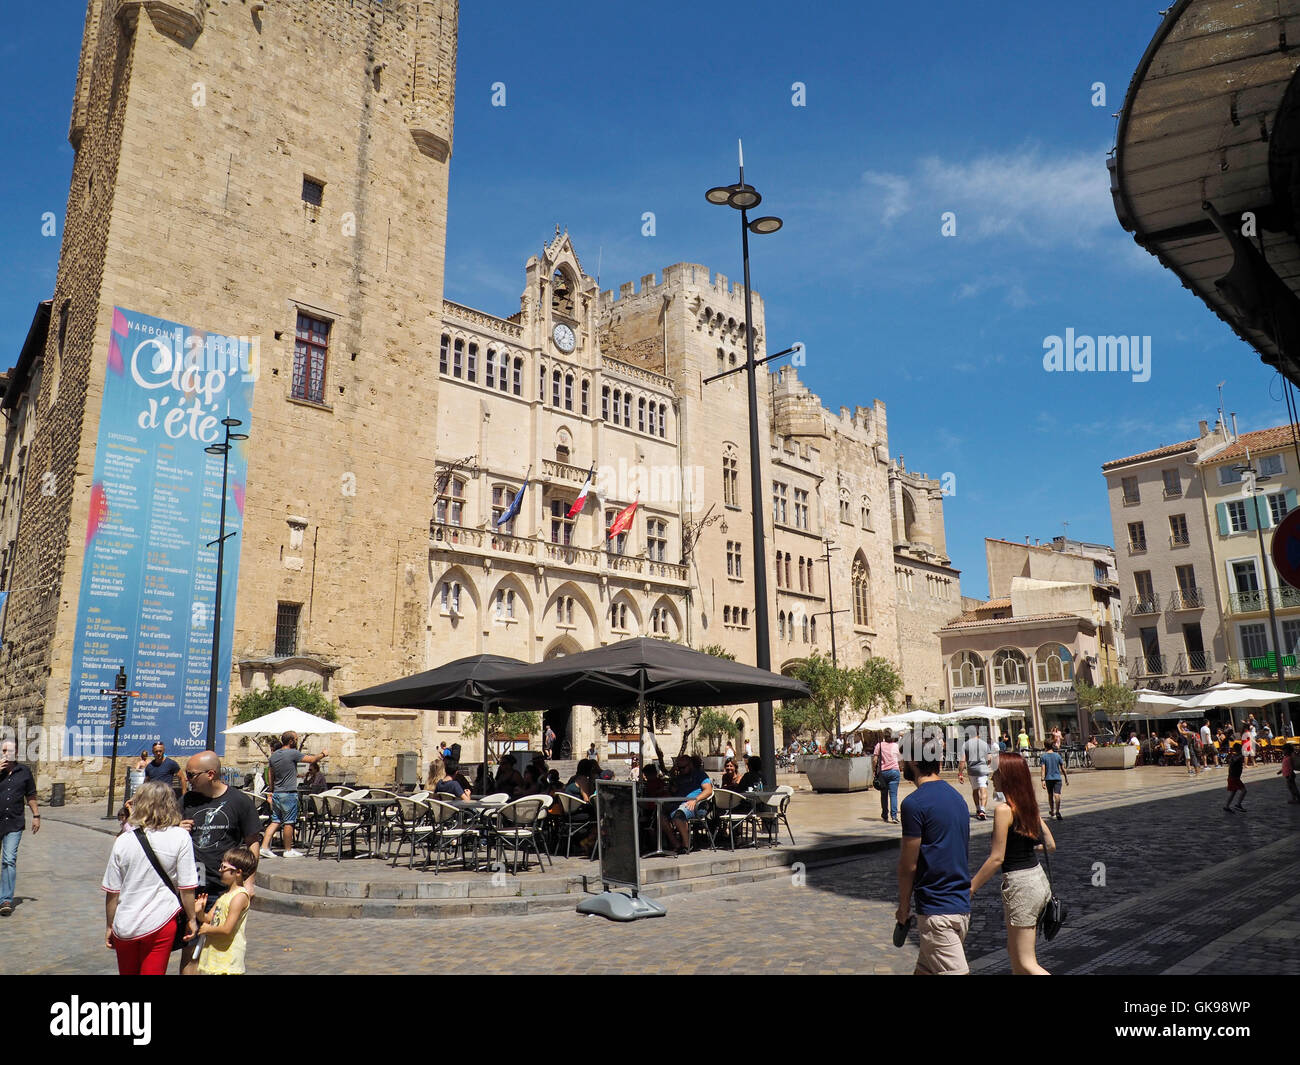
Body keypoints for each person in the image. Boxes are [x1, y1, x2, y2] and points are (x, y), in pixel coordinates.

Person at [970, 751, 1056, 975]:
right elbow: (1050, 844)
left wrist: (971, 887)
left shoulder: (1004, 810)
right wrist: (1025, 847)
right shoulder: (1027, 806)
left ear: (1006, 776)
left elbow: (996, 858)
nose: (992, 778)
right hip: (1037, 879)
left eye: (996, 773)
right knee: (1015, 954)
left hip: (1021, 886)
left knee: (1026, 961)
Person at [896, 727, 972, 975]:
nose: (900, 762)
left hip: (938, 911)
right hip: (959, 905)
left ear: (915, 761)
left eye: (904, 756)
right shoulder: (957, 798)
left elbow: (909, 864)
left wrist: (904, 906)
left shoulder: (913, 804)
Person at [101, 781, 199, 975]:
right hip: (161, 920)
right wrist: (192, 918)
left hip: (126, 922)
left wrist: (109, 925)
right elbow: (187, 887)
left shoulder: (123, 841)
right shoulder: (180, 837)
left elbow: (113, 892)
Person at [179, 751, 262, 975]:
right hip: (191, 886)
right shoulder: (187, 800)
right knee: (190, 946)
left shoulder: (239, 801)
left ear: (211, 774)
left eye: (191, 774)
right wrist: (177, 829)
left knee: (218, 946)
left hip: (222, 887)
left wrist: (250, 882)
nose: (187, 779)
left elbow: (253, 842)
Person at [261, 732, 327, 858]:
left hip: (277, 793)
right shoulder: (292, 753)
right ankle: (288, 849)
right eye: (296, 739)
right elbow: (312, 760)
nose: (297, 741)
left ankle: (264, 847)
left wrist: (271, 790)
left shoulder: (274, 756)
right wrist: (323, 754)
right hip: (289, 794)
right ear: (291, 741)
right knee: (289, 822)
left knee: (275, 821)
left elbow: (270, 775)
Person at [195, 846, 256, 975]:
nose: (219, 870)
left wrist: (207, 929)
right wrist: (199, 911)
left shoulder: (239, 897)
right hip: (216, 953)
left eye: (223, 867)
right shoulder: (224, 895)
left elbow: (227, 929)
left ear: (238, 872)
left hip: (229, 957)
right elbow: (208, 918)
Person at [0, 738, 39, 917]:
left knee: (9, 859)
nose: (5, 754)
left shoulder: (24, 772)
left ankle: (6, 899)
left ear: (16, 753)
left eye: (8, 751)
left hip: (14, 822)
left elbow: (30, 795)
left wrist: (36, 815)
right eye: (3, 750)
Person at [661, 754, 712, 856]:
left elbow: (708, 790)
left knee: (679, 815)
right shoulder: (679, 777)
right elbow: (675, 791)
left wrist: (695, 800)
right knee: (660, 816)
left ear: (691, 765)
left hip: (696, 805)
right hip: (679, 803)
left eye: (683, 768)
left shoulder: (700, 774)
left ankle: (687, 844)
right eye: (679, 768)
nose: (681, 770)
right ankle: (675, 843)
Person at [958, 728, 995, 821]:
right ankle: (982, 810)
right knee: (983, 789)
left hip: (972, 770)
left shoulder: (965, 744)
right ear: (978, 734)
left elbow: (962, 760)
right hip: (983, 769)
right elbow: (990, 758)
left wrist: (960, 773)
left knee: (975, 790)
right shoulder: (984, 744)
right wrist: (987, 764)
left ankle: (978, 809)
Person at [873, 729, 902, 824]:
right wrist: (901, 769)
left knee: (883, 795)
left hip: (883, 772)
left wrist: (874, 770)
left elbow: (875, 760)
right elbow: (900, 760)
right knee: (893, 795)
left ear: (884, 736)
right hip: (894, 771)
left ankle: (885, 815)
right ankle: (894, 816)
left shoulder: (879, 745)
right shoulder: (896, 746)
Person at [1039, 741, 1068, 820]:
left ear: (1045, 746)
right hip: (1057, 778)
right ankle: (1058, 811)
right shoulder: (1057, 756)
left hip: (1048, 779)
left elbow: (1043, 769)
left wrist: (1042, 780)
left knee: (1050, 795)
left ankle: (1052, 811)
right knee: (1057, 794)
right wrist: (1066, 778)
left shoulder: (1043, 756)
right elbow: (1063, 768)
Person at [1224, 743, 1247, 812]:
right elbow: (1234, 760)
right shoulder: (1236, 756)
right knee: (1244, 790)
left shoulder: (1234, 756)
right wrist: (1240, 756)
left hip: (1232, 777)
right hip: (1234, 777)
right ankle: (1238, 805)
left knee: (1233, 792)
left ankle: (1226, 806)